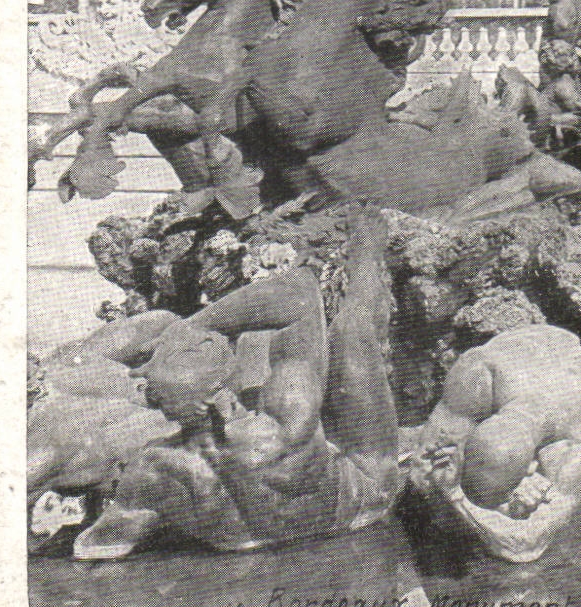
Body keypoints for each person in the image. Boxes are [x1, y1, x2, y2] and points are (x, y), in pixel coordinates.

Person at [70, 208, 402, 559]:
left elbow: (96, 545)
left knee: (256, 346)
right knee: (352, 331)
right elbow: (301, 294)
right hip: (359, 504)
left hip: (243, 538)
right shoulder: (282, 429)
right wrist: (194, 325)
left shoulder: (149, 470)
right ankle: (369, 240)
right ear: (220, 394)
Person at [406, 325, 581, 563]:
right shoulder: (481, 373)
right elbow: (419, 477)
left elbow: (526, 544)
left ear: (532, 467)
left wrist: (456, 497)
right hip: (522, 354)